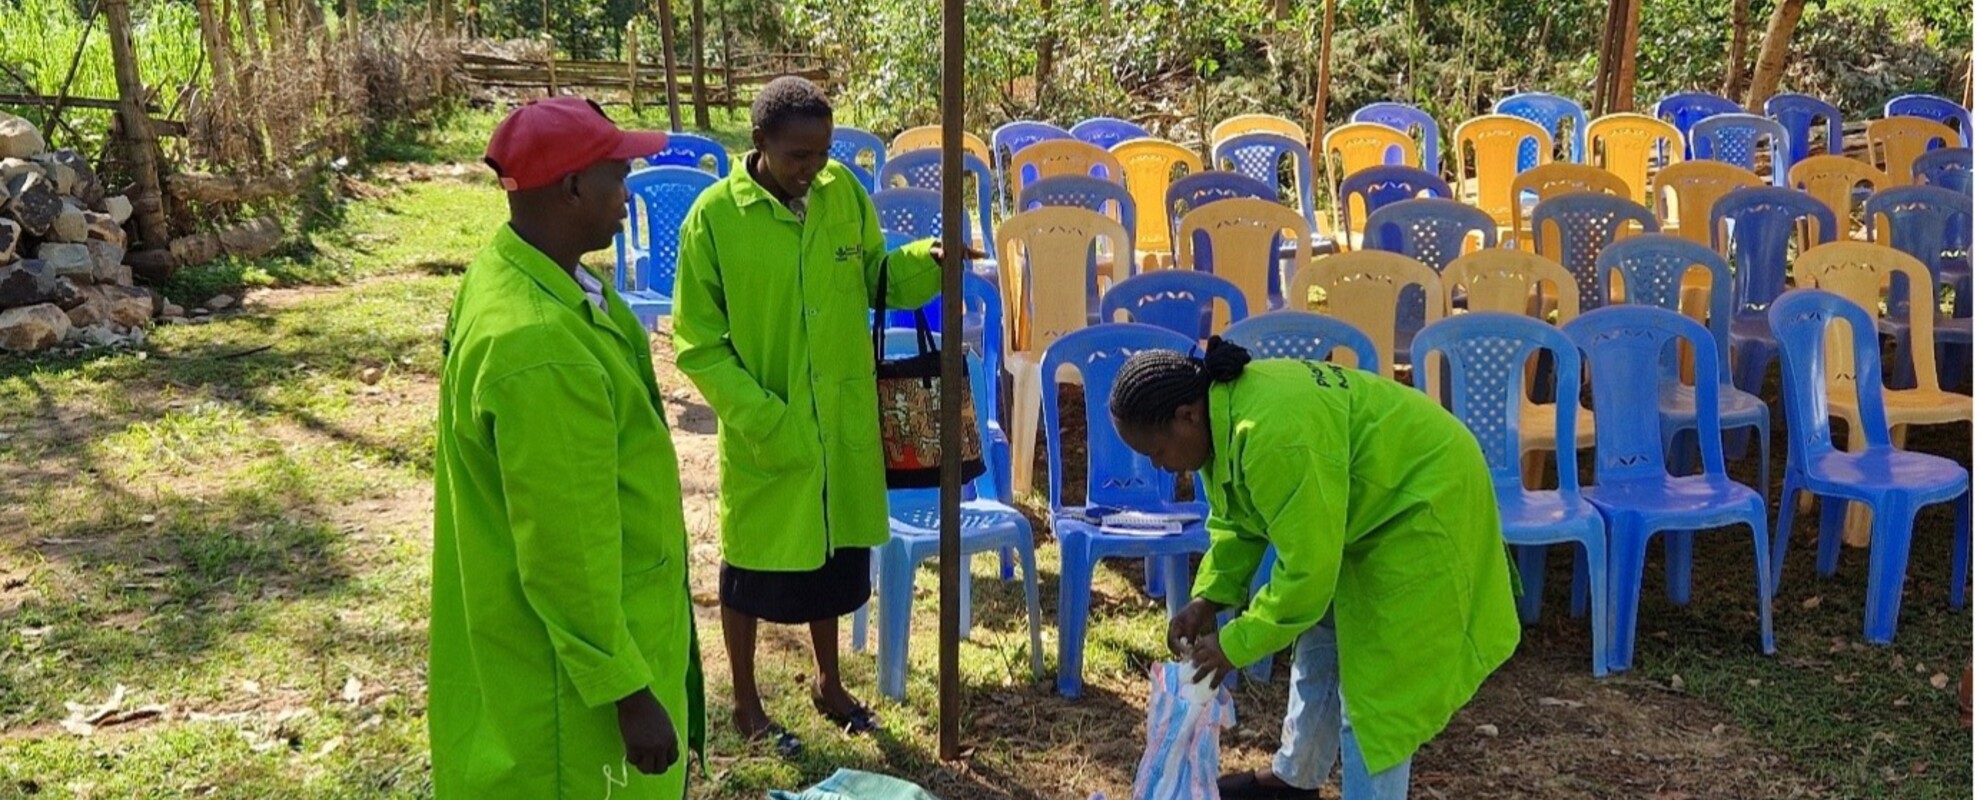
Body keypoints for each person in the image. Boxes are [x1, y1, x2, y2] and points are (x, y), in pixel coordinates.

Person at [672, 76, 973, 755]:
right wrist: (763, 415)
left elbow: (875, 278)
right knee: (752, 567)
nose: (813, 168)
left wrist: (925, 262)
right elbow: (698, 342)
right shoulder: (715, 219)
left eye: (822, 152)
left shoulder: (843, 195)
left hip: (839, 419)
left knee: (833, 562)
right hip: (768, 426)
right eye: (797, 156)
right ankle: (748, 705)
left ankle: (828, 683)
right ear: (759, 144)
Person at [1109, 338, 1521, 800]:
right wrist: (1209, 597)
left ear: (1187, 415)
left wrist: (1232, 645)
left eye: (1158, 451)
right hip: (1373, 503)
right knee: (1322, 633)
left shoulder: (1271, 436)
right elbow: (1238, 520)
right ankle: (1297, 778)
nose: (1158, 465)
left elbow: (1307, 574)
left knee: (1377, 697)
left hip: (1428, 499)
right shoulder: (1223, 417)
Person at [431, 96, 701, 799]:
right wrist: (626, 689)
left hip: (539, 644)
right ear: (574, 187)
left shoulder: (515, 272)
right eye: (619, 175)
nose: (628, 193)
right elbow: (564, 546)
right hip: (573, 687)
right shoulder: (542, 348)